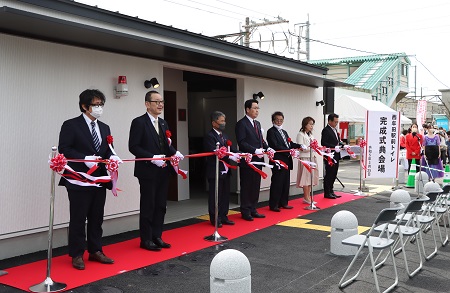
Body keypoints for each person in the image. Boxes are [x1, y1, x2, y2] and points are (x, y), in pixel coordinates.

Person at [58, 89, 119, 270]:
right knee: (78, 217)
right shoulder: (71, 125)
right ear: (84, 106)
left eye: (101, 104)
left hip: (99, 178)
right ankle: (77, 253)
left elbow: (108, 149)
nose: (99, 108)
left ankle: (95, 250)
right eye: (95, 104)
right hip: (79, 179)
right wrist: (84, 158)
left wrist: (113, 157)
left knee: (96, 216)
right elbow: (65, 149)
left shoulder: (105, 127)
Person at [129, 90, 184, 251]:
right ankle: (146, 239)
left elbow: (165, 144)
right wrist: (152, 157)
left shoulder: (163, 123)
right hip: (147, 170)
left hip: (163, 170)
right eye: (157, 102)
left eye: (162, 102)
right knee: (148, 204)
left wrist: (174, 152)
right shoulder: (139, 122)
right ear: (147, 104)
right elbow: (133, 146)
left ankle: (157, 235)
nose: (160, 105)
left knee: (161, 204)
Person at [235, 98, 270, 221]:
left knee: (256, 185)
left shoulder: (257, 123)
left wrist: (268, 148)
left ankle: (253, 208)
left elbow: (261, 140)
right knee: (247, 185)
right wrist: (254, 150)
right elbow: (242, 142)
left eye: (257, 108)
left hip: (259, 159)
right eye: (254, 108)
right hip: (248, 160)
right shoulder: (241, 124)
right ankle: (245, 210)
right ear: (247, 109)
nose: (256, 110)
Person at [204, 111, 239, 227]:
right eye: (221, 121)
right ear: (214, 123)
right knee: (215, 196)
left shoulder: (225, 136)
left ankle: (224, 216)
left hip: (226, 170)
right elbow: (212, 151)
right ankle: (215, 218)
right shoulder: (210, 136)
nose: (224, 123)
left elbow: (232, 149)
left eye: (224, 120)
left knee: (225, 195)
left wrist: (242, 154)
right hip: (215, 170)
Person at [266, 111, 302, 212]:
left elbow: (289, 144)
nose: (279, 122)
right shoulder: (271, 131)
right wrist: (288, 150)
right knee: (277, 182)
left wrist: (299, 146)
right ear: (273, 121)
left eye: (281, 120)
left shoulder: (284, 132)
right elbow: (275, 145)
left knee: (285, 183)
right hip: (278, 160)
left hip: (287, 160)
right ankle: (274, 204)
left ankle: (284, 202)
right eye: (277, 120)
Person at [296, 116, 319, 204]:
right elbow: (301, 147)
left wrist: (314, 148)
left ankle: (308, 196)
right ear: (305, 124)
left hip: (312, 157)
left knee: (311, 178)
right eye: (310, 124)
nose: (311, 126)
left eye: (312, 124)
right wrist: (311, 148)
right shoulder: (300, 134)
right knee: (305, 178)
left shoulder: (311, 135)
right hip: (305, 158)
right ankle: (306, 197)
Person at [320, 113, 342, 199]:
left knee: (334, 173)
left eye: (337, 122)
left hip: (336, 154)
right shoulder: (326, 130)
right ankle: (327, 192)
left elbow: (337, 141)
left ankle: (331, 190)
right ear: (329, 121)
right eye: (335, 122)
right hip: (330, 155)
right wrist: (333, 147)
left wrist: (342, 145)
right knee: (329, 173)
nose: (336, 123)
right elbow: (323, 143)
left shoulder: (335, 130)